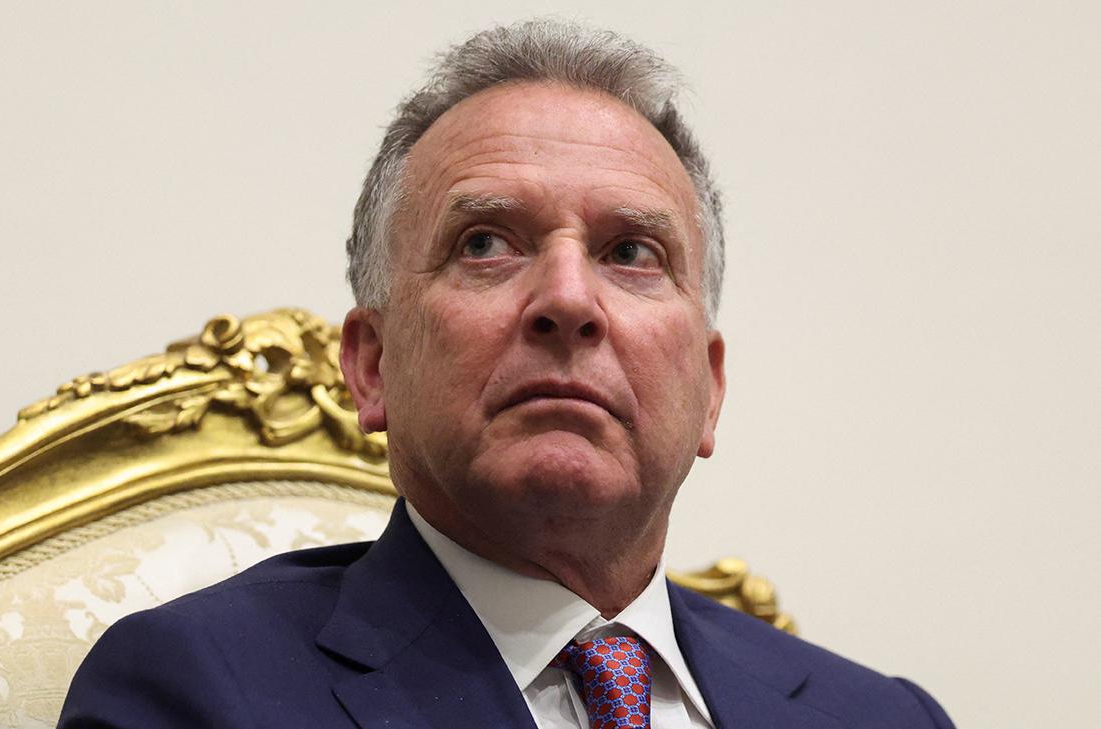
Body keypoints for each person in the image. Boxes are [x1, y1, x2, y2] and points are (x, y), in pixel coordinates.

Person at [59, 19, 955, 729]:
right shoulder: (196, 690)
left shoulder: (884, 715)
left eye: (631, 252)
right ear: (371, 366)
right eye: (486, 243)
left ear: (710, 389)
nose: (567, 299)